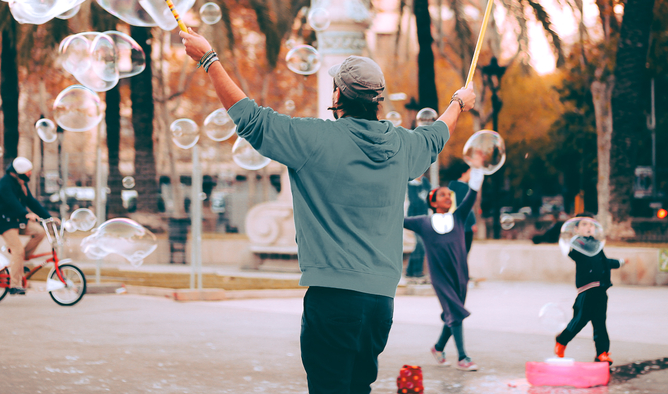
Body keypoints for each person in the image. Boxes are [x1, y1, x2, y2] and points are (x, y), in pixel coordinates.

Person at [181, 28, 476, 394]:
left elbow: (250, 119)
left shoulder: (315, 139)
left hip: (333, 297)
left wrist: (209, 59)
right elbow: (436, 135)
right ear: (377, 99)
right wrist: (460, 102)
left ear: (338, 94)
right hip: (381, 303)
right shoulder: (403, 146)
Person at [404, 172, 484, 371]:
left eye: (449, 195)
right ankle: (463, 357)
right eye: (442, 195)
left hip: (460, 275)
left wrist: (478, 174)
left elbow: (471, 197)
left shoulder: (458, 217)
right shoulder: (423, 222)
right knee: (455, 313)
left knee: (453, 313)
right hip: (440, 278)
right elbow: (399, 220)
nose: (448, 197)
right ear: (432, 201)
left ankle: (438, 347)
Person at [554, 214, 625, 364]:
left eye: (591, 225)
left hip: (601, 289)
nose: (589, 228)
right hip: (587, 290)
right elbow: (572, 254)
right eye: (584, 225)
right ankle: (562, 340)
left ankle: (602, 353)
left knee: (600, 323)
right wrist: (571, 243)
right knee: (580, 319)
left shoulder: (596, 245)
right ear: (576, 228)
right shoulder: (577, 244)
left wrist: (620, 262)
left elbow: (604, 262)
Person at [0, 157, 53, 295]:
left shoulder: (21, 183)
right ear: (20, 172)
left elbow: (31, 201)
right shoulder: (5, 183)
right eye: (28, 171)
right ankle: (15, 284)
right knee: (18, 249)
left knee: (40, 232)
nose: (30, 173)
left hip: (16, 220)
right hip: (3, 222)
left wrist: (49, 218)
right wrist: (26, 214)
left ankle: (20, 262)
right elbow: (11, 201)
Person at [445, 161, 476, 254]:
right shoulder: (465, 188)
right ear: (464, 173)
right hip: (465, 226)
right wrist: (473, 222)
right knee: (464, 252)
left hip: (453, 224)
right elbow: (467, 207)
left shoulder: (451, 186)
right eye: (470, 172)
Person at [404, 176, 431, 280]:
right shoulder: (409, 184)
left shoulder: (425, 183)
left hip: (424, 217)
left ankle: (411, 271)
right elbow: (411, 201)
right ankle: (415, 271)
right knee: (419, 243)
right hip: (413, 218)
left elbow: (428, 199)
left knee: (421, 244)